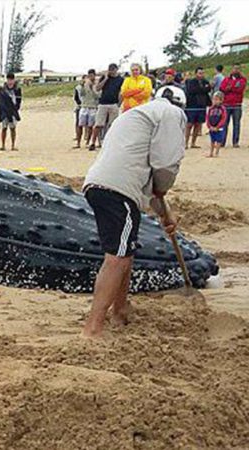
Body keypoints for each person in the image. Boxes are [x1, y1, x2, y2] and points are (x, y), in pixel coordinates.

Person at [81, 86, 186, 338]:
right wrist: (163, 196)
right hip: (120, 191)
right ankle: (93, 327)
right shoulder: (171, 114)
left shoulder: (135, 114)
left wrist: (163, 213)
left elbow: (143, 171)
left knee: (125, 253)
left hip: (98, 185)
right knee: (116, 258)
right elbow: (165, 166)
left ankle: (119, 311)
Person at [90, 63, 123, 151]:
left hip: (114, 103)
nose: (111, 71)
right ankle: (93, 142)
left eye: (113, 69)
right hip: (103, 103)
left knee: (112, 124)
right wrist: (106, 78)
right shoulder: (104, 78)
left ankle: (110, 142)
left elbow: (121, 92)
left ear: (116, 69)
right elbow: (97, 88)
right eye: (110, 70)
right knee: (98, 124)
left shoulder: (120, 79)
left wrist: (119, 103)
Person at [184, 67, 211, 149]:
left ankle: (193, 143)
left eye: (202, 73)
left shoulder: (206, 81)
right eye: (199, 73)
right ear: (196, 73)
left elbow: (209, 89)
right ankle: (185, 143)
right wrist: (203, 89)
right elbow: (192, 90)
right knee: (189, 125)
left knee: (198, 125)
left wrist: (203, 89)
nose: (201, 75)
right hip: (192, 106)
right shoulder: (191, 82)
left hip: (202, 106)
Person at [220, 64, 246, 148]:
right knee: (224, 124)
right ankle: (222, 141)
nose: (236, 70)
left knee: (236, 124)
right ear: (231, 69)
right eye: (234, 68)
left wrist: (230, 87)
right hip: (226, 104)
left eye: (237, 68)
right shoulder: (226, 79)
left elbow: (239, 89)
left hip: (237, 105)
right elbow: (222, 88)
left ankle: (235, 142)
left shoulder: (242, 79)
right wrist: (231, 87)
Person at [0, 73, 22, 151]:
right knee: (4, 128)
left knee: (13, 128)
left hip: (13, 111)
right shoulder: (2, 89)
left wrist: (15, 109)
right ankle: (3, 145)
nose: (10, 81)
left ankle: (13, 145)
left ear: (14, 80)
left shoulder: (17, 89)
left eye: (11, 80)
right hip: (4, 111)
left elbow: (19, 101)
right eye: (9, 79)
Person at [76, 69, 100, 149]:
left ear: (95, 75)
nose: (91, 77)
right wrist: (82, 86)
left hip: (93, 107)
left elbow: (97, 96)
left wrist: (92, 88)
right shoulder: (85, 83)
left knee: (90, 126)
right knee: (80, 125)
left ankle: (87, 142)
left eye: (92, 75)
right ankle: (78, 142)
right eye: (89, 75)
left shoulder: (97, 84)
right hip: (84, 106)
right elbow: (82, 94)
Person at [207, 92, 227, 158]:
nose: (215, 101)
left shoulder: (222, 109)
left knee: (218, 140)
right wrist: (209, 126)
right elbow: (207, 117)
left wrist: (218, 126)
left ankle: (217, 152)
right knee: (212, 140)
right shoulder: (210, 109)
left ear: (221, 100)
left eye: (217, 100)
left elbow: (223, 118)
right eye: (214, 99)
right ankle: (211, 152)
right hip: (211, 127)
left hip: (219, 128)